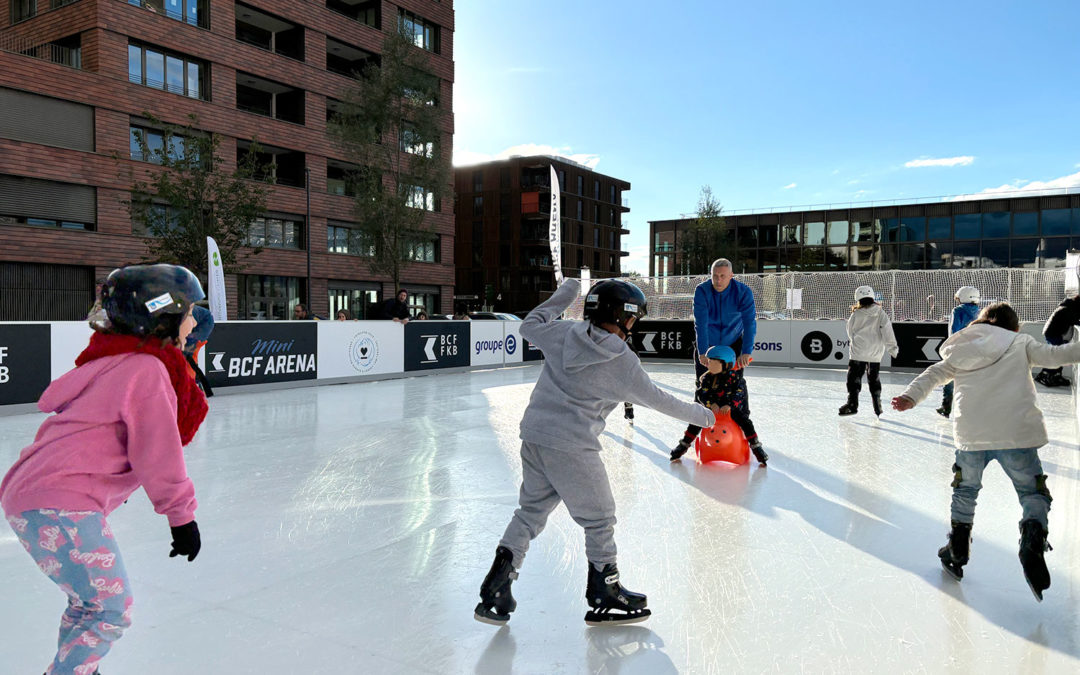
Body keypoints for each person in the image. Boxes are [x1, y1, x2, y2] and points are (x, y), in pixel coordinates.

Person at [1, 264, 207, 674]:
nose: (193, 322)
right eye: (188, 313)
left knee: (89, 605)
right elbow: (157, 451)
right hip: (61, 499)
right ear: (161, 317)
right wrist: (181, 518)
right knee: (111, 608)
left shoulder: (116, 363)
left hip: (38, 496)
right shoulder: (144, 370)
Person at [474, 278, 714, 627]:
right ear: (625, 317)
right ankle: (605, 591)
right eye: (634, 319)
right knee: (600, 518)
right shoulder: (622, 361)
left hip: (535, 438)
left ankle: (495, 588)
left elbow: (529, 325)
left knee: (529, 513)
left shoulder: (564, 334)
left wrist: (564, 295)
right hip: (572, 447)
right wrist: (705, 416)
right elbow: (661, 400)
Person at [891, 302, 1080, 601]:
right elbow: (1057, 357)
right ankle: (1033, 535)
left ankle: (958, 547)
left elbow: (932, 374)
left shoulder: (960, 346)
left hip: (971, 434)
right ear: (1013, 326)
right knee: (1032, 494)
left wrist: (910, 397)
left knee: (965, 491)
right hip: (1016, 432)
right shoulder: (1020, 342)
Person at [670, 345, 768, 465]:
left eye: (712, 362)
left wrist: (729, 405)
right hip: (712, 409)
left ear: (725, 364)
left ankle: (756, 446)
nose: (708, 364)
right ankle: (684, 444)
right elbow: (702, 393)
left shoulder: (736, 378)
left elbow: (739, 393)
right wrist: (711, 404)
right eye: (709, 361)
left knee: (746, 422)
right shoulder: (707, 377)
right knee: (696, 421)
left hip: (731, 409)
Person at [839, 285, 898, 417]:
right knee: (874, 378)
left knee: (854, 378)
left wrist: (856, 341)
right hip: (875, 353)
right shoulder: (881, 313)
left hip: (858, 352)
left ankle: (852, 404)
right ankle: (877, 406)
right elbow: (887, 331)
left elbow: (850, 332)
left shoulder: (856, 314)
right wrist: (892, 348)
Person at [693, 259, 756, 378]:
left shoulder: (743, 292)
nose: (718, 280)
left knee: (734, 388)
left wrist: (746, 352)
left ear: (731, 275)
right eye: (715, 276)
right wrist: (702, 352)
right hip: (708, 343)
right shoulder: (702, 291)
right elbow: (701, 324)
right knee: (703, 385)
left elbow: (749, 324)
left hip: (733, 343)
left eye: (723, 276)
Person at [937, 286, 980, 417]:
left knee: (949, 377)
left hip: (959, 349)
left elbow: (954, 331)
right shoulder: (980, 311)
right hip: (975, 350)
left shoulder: (957, 310)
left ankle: (946, 407)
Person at [1033, 293, 1080, 388]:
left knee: (1058, 355)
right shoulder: (1068, 309)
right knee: (1058, 356)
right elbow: (1075, 320)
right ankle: (1046, 375)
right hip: (1053, 334)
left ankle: (1055, 376)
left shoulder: (1068, 306)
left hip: (1052, 333)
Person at [183, 303, 215, 397]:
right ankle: (194, 383)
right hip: (198, 324)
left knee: (187, 354)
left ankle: (192, 385)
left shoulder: (184, 315)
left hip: (203, 323)